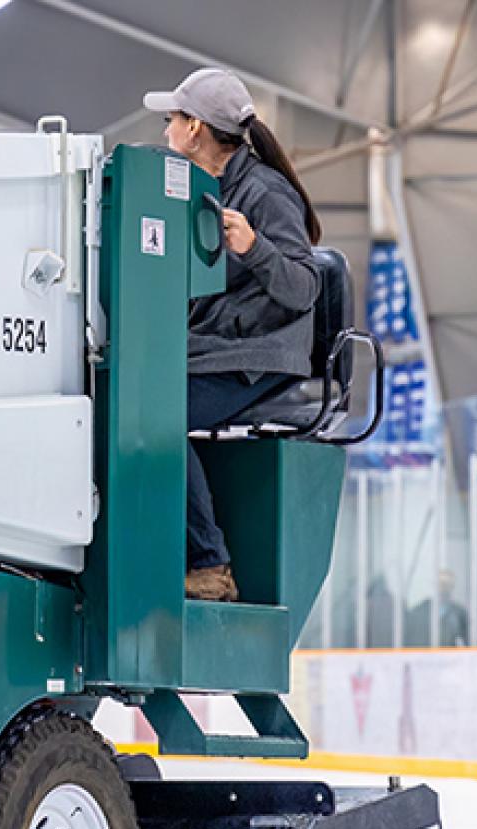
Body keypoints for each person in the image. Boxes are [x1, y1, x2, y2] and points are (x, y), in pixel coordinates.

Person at [143, 69, 322, 602]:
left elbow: (304, 285)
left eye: (171, 119)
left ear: (195, 127)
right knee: (128, 395)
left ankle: (209, 565)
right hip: (219, 345)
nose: (166, 130)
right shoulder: (200, 189)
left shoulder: (265, 192)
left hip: (260, 355)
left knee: (155, 415)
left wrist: (253, 247)